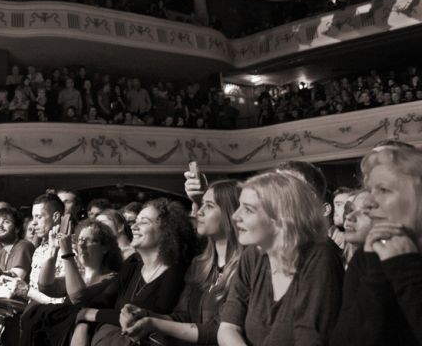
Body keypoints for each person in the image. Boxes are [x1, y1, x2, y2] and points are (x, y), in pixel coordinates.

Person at [218, 172, 343, 346]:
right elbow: (228, 328)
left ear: (281, 218)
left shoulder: (320, 257)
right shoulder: (252, 255)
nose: (235, 216)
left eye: (248, 209)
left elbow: (310, 339)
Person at [120, 180, 241, 345]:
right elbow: (183, 317)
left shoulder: (245, 267)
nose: (199, 212)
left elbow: (218, 331)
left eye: (209, 206)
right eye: (202, 205)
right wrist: (145, 315)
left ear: (231, 213)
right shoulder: (200, 264)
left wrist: (154, 323)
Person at [330, 142, 422, 346]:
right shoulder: (366, 257)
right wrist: (376, 272)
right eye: (371, 190)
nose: (368, 202)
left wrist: (406, 269)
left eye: (384, 190)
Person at [75, 198, 198, 346]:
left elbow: (138, 315)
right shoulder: (132, 265)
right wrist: (82, 324)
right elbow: (100, 301)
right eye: (136, 221)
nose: (134, 226)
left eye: (144, 222)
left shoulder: (177, 271)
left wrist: (91, 314)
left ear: (167, 232)